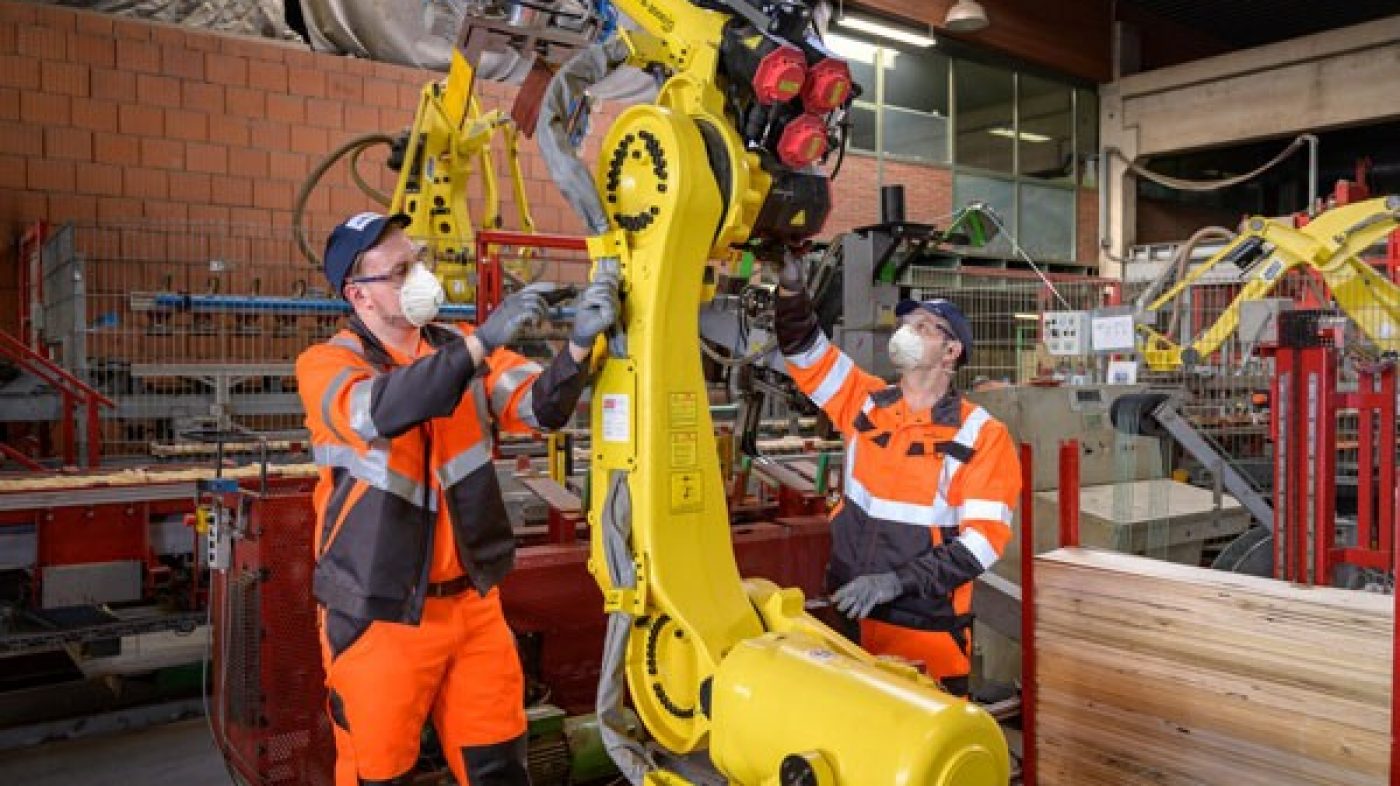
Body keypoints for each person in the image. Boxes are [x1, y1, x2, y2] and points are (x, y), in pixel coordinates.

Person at [296, 211, 618, 785]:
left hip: (473, 608)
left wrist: (576, 347)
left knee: (498, 768)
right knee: (378, 774)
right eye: (399, 270)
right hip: (379, 617)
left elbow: (541, 408)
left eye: (417, 261)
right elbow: (384, 408)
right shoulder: (327, 367)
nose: (419, 276)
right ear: (358, 295)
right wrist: (481, 341)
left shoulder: (464, 355)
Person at [772, 252, 1020, 697]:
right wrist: (791, 291)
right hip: (851, 616)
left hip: (924, 629)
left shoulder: (982, 435)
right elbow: (806, 356)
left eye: (923, 327)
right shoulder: (866, 401)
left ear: (951, 351)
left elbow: (981, 544)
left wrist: (894, 582)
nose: (907, 333)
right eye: (907, 325)